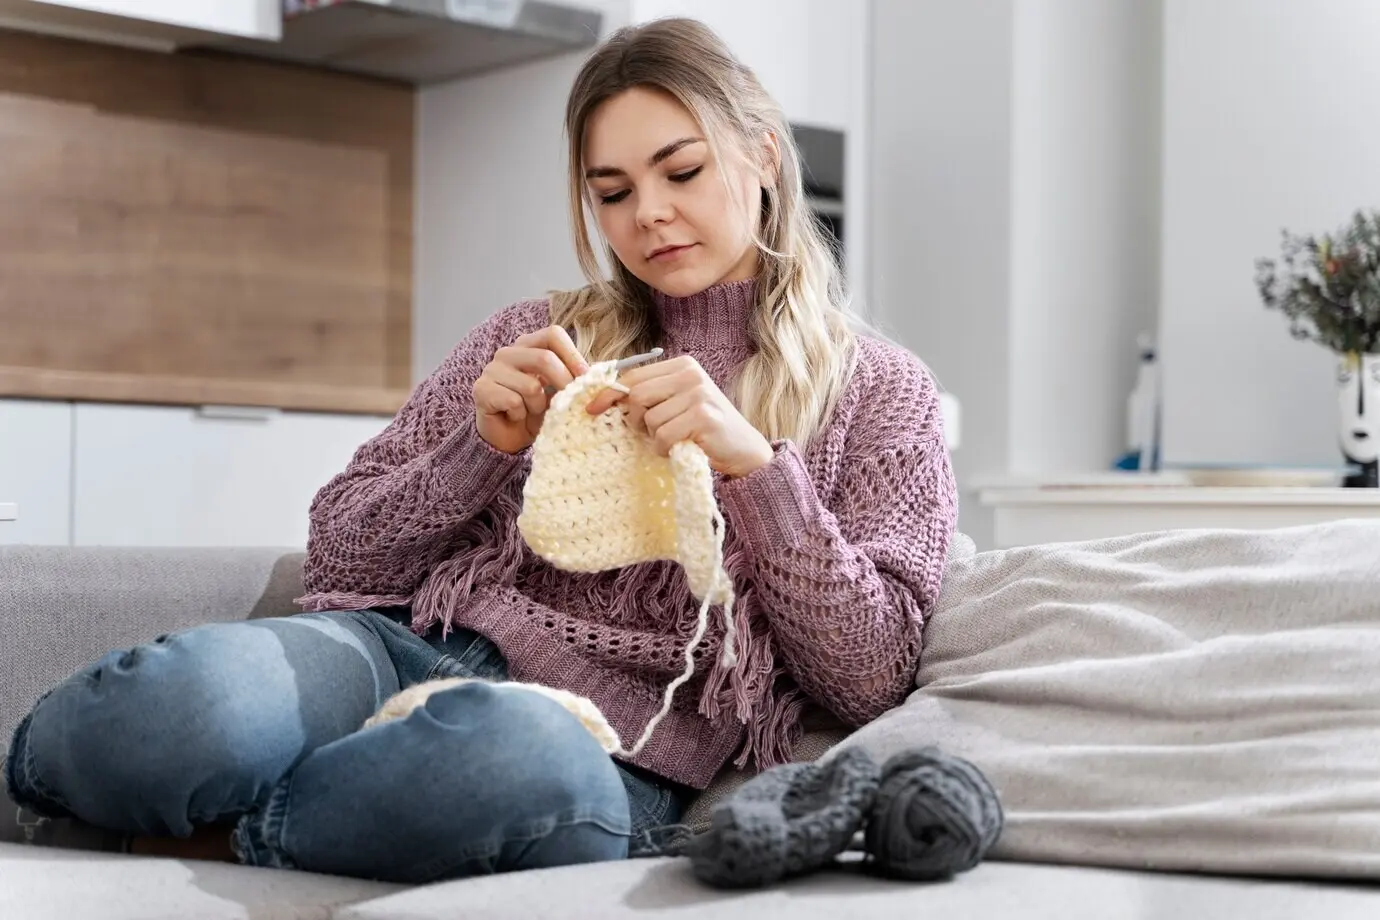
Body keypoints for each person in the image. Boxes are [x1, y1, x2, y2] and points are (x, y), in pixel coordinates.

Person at [4, 17, 957, 883]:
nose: (649, 215)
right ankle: (122, 796)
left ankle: (224, 833)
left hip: (611, 751)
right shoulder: (535, 334)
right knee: (189, 704)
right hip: (408, 656)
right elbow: (340, 553)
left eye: (682, 170)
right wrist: (480, 449)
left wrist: (758, 473)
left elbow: (870, 677)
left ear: (761, 157)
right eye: (612, 191)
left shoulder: (880, 392)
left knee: (517, 765)